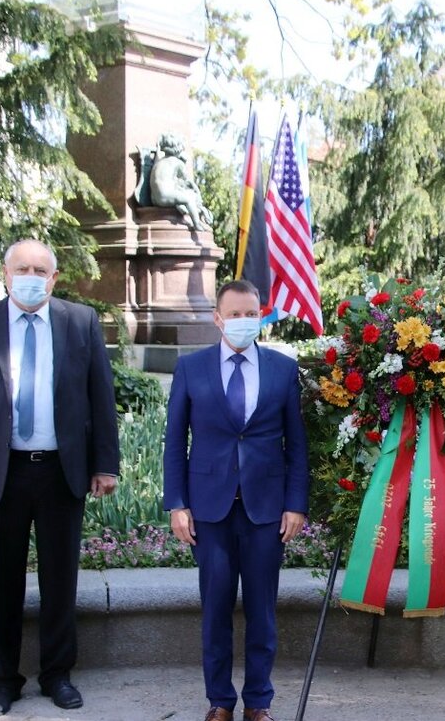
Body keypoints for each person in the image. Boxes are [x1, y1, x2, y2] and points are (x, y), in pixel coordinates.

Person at [0, 239, 120, 718]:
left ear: (54, 278)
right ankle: (2, 682)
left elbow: (100, 397)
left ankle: (57, 675)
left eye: (40, 269)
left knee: (60, 579)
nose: (30, 275)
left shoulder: (79, 322)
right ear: (4, 274)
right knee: (3, 582)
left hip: (61, 472)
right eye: (21, 267)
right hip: (3, 473)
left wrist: (105, 464)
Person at [163, 279, 310, 721]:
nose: (245, 321)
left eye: (253, 314)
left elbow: (297, 446)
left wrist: (296, 503)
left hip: (267, 510)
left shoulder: (284, 370)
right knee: (216, 611)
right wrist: (177, 504)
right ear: (218, 317)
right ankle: (220, 702)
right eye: (237, 314)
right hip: (209, 509)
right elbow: (174, 442)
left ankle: (258, 703)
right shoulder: (191, 368)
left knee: (263, 611)